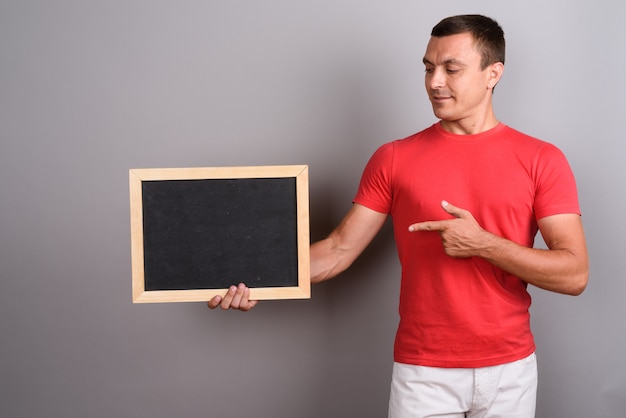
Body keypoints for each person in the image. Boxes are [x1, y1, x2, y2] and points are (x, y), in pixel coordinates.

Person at [208, 14, 589, 418]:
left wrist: (482, 243)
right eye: (428, 68)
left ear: (493, 73)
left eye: (451, 69)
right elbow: (338, 249)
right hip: (424, 372)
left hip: (510, 370)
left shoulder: (542, 160)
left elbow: (574, 274)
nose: (434, 82)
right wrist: (257, 278)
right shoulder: (394, 158)